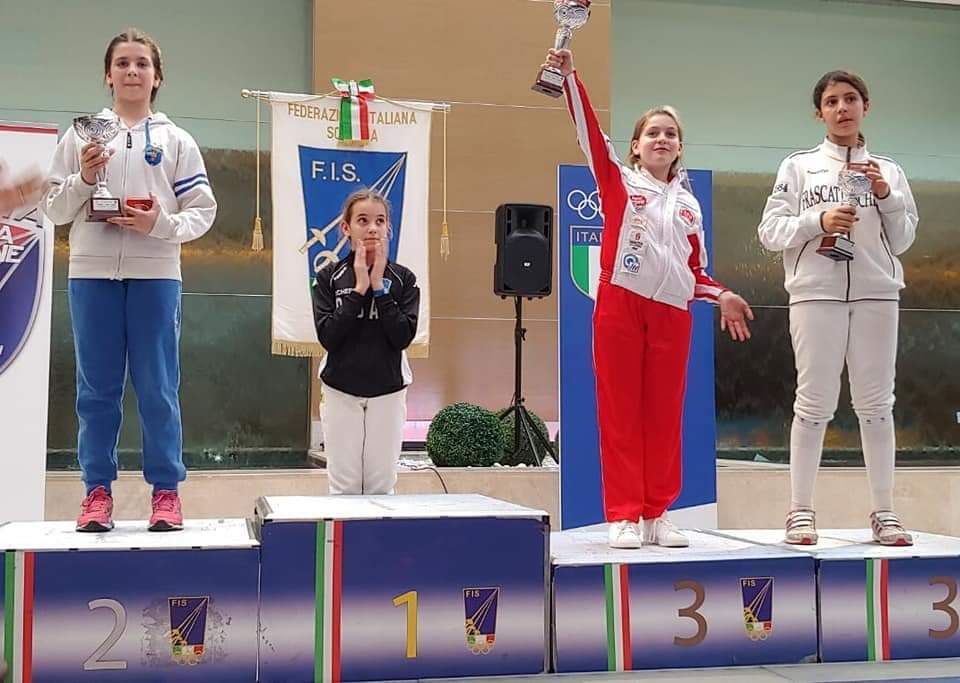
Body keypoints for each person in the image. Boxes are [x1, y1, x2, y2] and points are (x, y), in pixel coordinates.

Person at [546, 47, 753, 549]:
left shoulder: (690, 205)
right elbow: (589, 133)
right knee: (620, 413)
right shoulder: (618, 182)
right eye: (652, 133)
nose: (662, 139)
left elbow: (694, 271)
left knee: (663, 417)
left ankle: (657, 513)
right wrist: (571, 78)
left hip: (672, 315)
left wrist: (722, 294)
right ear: (636, 147)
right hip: (621, 304)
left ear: (679, 148)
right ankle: (623, 515)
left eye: (671, 134)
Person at [42, 28, 216, 532]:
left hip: (155, 276)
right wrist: (84, 179)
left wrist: (158, 224)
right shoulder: (81, 136)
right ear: (108, 75)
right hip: (92, 274)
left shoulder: (177, 140)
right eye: (122, 63)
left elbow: (202, 211)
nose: (132, 71)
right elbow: (53, 208)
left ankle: (166, 493)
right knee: (96, 390)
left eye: (142, 63)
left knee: (158, 388)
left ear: (157, 77)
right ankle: (96, 492)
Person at [758, 70, 918, 546]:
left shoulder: (889, 170)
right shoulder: (799, 166)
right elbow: (770, 232)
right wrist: (818, 220)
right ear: (819, 113)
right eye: (832, 101)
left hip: (877, 293)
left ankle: (885, 512)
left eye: (851, 99)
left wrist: (886, 197)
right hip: (815, 292)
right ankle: (800, 511)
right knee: (813, 402)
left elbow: (903, 239)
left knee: (877, 405)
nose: (842, 108)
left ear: (866, 106)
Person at [311, 188, 419, 495]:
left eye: (380, 221)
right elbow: (329, 336)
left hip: (388, 390)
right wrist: (359, 289)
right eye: (363, 220)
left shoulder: (404, 279)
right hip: (340, 389)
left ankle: (379, 530)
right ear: (346, 228)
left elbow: (402, 336)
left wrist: (379, 289)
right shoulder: (328, 277)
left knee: (381, 485)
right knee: (343, 485)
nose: (372, 228)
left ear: (388, 228)